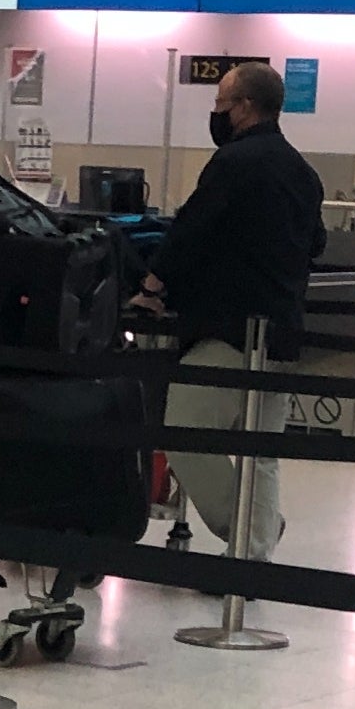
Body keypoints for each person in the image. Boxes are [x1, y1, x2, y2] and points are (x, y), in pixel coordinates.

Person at [147, 58, 326, 562]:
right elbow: (315, 242)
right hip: (283, 332)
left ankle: (249, 530)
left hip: (229, 330)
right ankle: (253, 555)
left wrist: (153, 283)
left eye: (220, 104)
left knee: (183, 431)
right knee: (262, 455)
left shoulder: (232, 163)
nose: (216, 114)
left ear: (245, 107)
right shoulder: (303, 171)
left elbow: (191, 231)